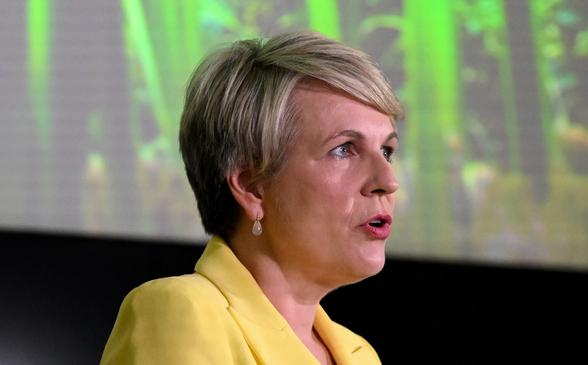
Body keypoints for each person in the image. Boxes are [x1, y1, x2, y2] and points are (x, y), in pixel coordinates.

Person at [100, 30, 403, 365]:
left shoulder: (360, 355)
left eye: (387, 151)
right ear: (251, 188)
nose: (387, 181)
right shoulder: (183, 312)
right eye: (344, 149)